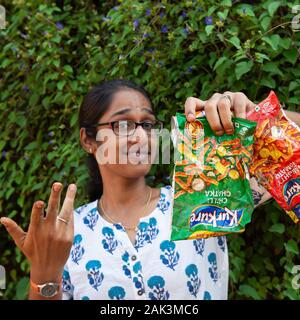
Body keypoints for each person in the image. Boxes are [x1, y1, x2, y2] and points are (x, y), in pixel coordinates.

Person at [1, 80, 300, 300]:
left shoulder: (200, 200)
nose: (140, 137)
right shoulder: (66, 235)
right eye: (122, 125)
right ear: (88, 140)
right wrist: (43, 277)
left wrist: (257, 119)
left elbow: (292, 152)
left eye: (147, 124)